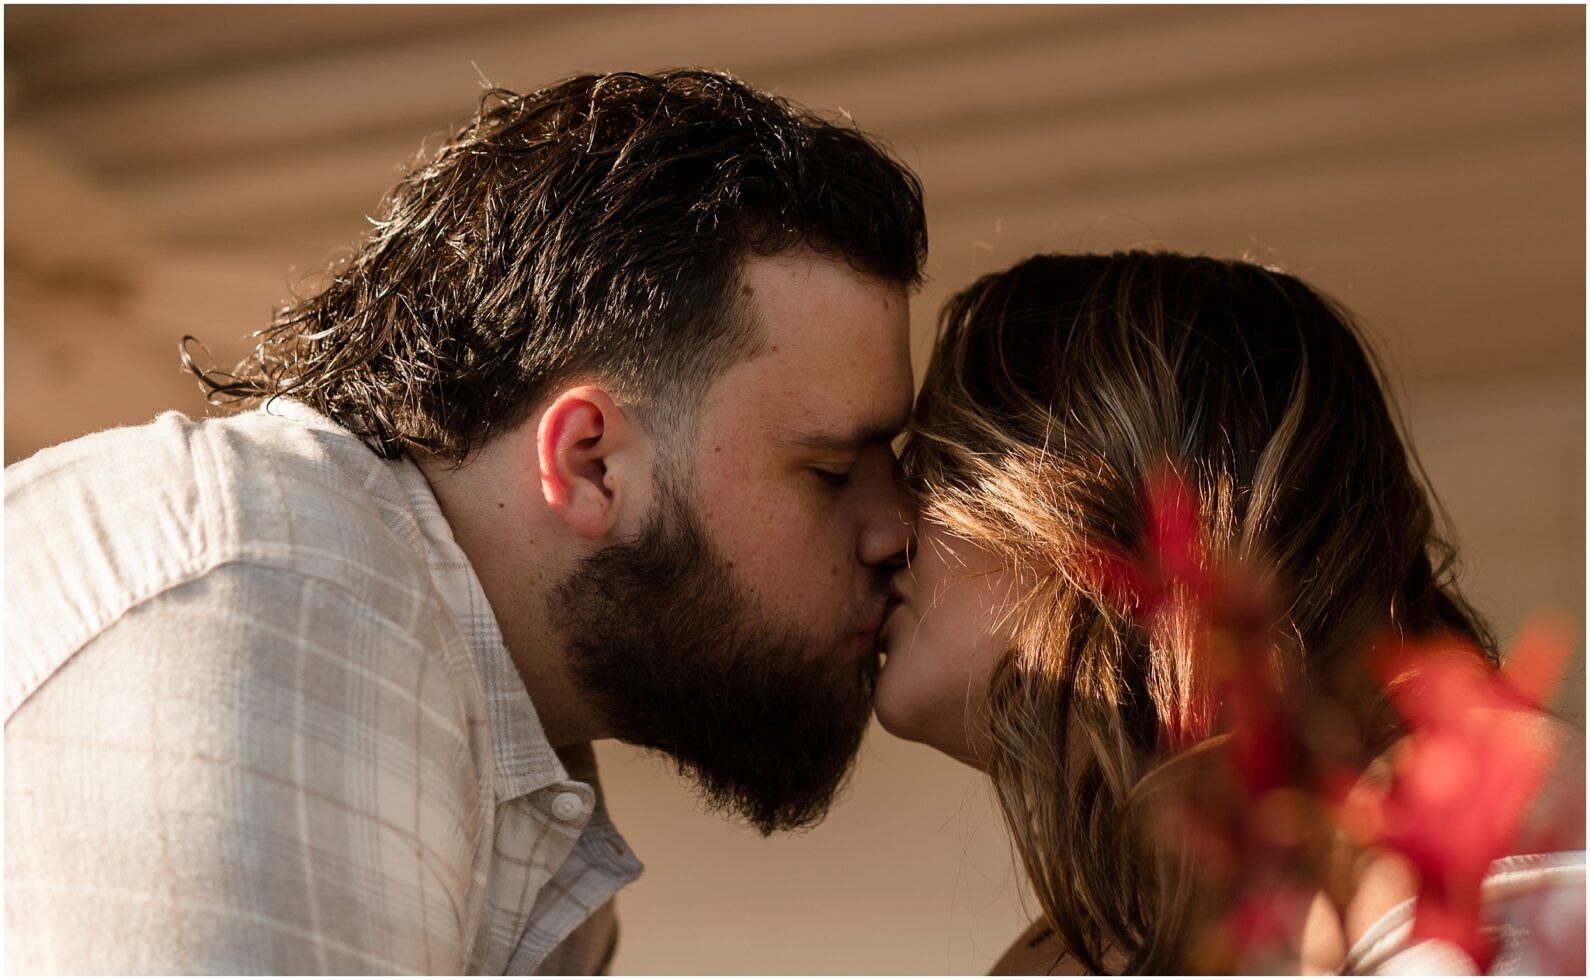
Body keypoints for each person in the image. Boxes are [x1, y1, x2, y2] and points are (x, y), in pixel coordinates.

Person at [5, 69, 925, 974]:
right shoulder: (273, 605)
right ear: (590, 463)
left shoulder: (519, 767)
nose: (898, 530)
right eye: (833, 469)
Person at [875, 252, 1585, 974]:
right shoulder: (1089, 940)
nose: (884, 530)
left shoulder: (1490, 834)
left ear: (1097, 499)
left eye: (935, 465)